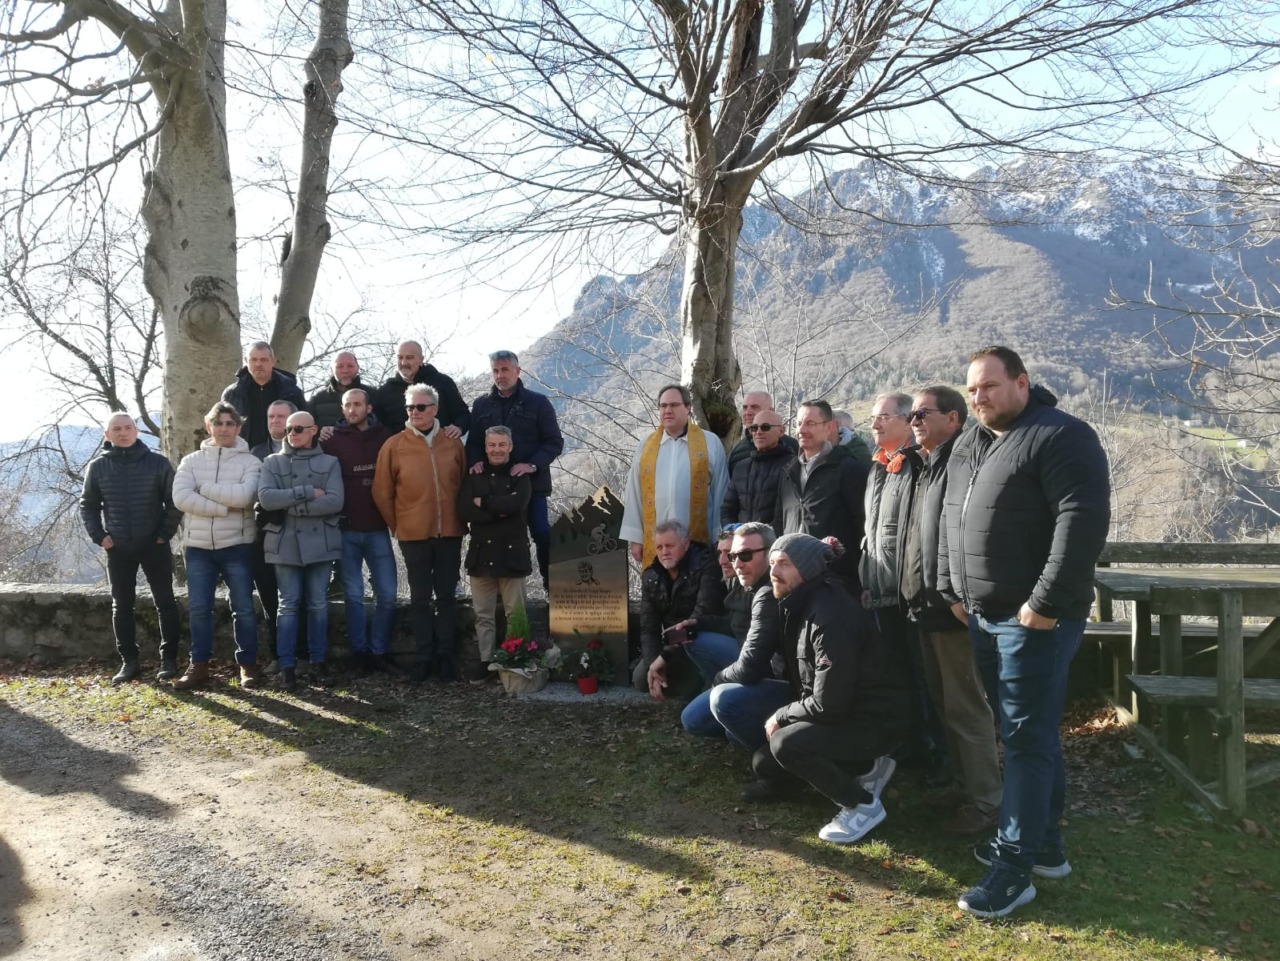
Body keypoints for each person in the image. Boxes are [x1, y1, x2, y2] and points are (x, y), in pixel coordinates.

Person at [942, 346, 1110, 918]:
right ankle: (1047, 846)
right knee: (1026, 734)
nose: (979, 397)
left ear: (1022, 382)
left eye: (989, 386)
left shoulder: (1062, 435)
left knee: (1024, 740)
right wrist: (952, 590)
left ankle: (1013, 869)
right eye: (971, 390)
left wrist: (1043, 605)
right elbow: (951, 516)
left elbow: (1081, 522)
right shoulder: (972, 442)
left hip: (1032, 622)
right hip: (983, 617)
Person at [751, 534, 910, 844]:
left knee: (786, 744)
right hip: (848, 714)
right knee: (765, 762)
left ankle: (862, 806)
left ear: (808, 569)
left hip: (874, 722)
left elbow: (828, 703)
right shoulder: (803, 602)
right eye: (771, 564)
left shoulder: (831, 615)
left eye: (784, 564)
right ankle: (868, 768)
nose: (773, 572)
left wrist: (783, 715)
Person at [902, 385, 1001, 836]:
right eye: (913, 414)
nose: (915, 419)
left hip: (952, 610)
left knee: (966, 709)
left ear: (954, 419)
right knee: (946, 706)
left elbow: (965, 535)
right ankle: (967, 790)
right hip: (926, 606)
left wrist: (957, 596)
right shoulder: (928, 466)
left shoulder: (961, 464)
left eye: (925, 413)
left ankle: (989, 804)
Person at [860, 392, 939, 776]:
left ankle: (933, 754)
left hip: (909, 595)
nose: (873, 424)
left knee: (921, 676)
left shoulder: (916, 465)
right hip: (880, 593)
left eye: (882, 417)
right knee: (898, 676)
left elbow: (913, 535)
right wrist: (867, 578)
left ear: (907, 421)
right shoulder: (878, 466)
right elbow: (872, 533)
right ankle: (909, 746)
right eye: (873, 418)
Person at [79, 413, 183, 684]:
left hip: (154, 545)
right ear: (107, 435)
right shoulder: (98, 467)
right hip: (118, 548)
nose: (123, 432)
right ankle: (129, 662)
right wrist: (100, 536)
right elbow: (88, 506)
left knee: (165, 603)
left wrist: (163, 535)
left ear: (136, 431)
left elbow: (174, 502)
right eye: (117, 429)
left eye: (128, 428)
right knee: (122, 606)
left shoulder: (158, 463)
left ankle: (169, 659)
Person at [373, 384, 467, 682]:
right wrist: (399, 525)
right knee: (420, 599)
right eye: (410, 408)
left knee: (447, 598)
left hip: (450, 532)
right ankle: (424, 657)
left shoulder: (453, 443)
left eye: (420, 407)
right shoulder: (394, 445)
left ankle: (446, 658)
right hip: (413, 536)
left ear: (435, 409)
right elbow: (382, 492)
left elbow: (464, 486)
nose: (414, 413)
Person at [170, 402, 262, 690]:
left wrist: (205, 489)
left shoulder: (251, 462)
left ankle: (248, 665)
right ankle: (199, 666)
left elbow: (245, 496)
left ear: (238, 427)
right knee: (199, 608)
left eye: (230, 423)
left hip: (238, 545)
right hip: (197, 547)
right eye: (218, 423)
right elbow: (181, 498)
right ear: (209, 426)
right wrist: (223, 508)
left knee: (244, 608)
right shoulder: (191, 461)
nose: (224, 428)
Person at [258, 410, 344, 691]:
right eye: (289, 429)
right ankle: (287, 667)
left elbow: (334, 501)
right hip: (284, 543)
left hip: (321, 544)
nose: (292, 433)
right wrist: (306, 492)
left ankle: (319, 662)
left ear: (313, 430)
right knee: (288, 605)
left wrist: (291, 505)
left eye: (298, 429)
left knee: (318, 604)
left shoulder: (330, 462)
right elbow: (267, 499)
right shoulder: (271, 462)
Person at [465, 350, 564, 590]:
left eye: (505, 369)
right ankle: (499, 593)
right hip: (494, 488)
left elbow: (554, 442)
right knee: (497, 537)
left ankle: (553, 588)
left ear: (518, 371)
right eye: (496, 371)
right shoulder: (481, 405)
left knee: (541, 532)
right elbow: (474, 443)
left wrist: (531, 465)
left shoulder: (538, 403)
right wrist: (475, 461)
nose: (500, 375)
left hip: (533, 485)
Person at [320, 388, 396, 674]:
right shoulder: (331, 440)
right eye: (347, 405)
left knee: (387, 595)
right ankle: (358, 653)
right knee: (353, 595)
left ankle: (379, 651)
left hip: (378, 528)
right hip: (345, 529)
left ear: (368, 407)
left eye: (357, 404)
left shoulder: (385, 436)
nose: (352, 410)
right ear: (342, 409)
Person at [704, 523, 792, 762]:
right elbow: (733, 626)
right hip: (768, 674)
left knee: (722, 700)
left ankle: (780, 756)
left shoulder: (768, 592)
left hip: (792, 689)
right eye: (733, 556)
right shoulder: (752, 586)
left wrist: (718, 680)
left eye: (745, 555)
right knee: (693, 720)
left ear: (770, 552)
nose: (736, 564)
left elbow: (750, 666)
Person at [620, 384, 729, 567]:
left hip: (698, 540)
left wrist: (720, 537)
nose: (667, 411)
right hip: (657, 544)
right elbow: (635, 493)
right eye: (663, 406)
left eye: (674, 405)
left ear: (687, 408)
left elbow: (721, 491)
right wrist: (635, 538)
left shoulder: (709, 442)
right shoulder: (646, 446)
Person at [458, 425, 533, 683]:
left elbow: (517, 504)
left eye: (502, 445)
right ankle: (486, 661)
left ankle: (515, 660)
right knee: (483, 614)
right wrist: (499, 510)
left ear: (510, 447)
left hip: (513, 555)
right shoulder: (474, 476)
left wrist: (485, 503)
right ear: (486, 446)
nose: (497, 449)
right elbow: (465, 509)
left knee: (516, 613)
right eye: (492, 445)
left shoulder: (520, 476)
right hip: (481, 556)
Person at [775, 399, 869, 589]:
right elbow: (779, 521)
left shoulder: (848, 468)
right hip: (791, 576)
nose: (802, 429)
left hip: (834, 577)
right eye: (799, 423)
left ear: (830, 427)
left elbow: (861, 524)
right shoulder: (788, 472)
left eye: (810, 423)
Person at [635, 521, 732, 696]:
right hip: (672, 645)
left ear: (686, 544)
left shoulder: (707, 565)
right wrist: (653, 666)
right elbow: (648, 627)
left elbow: (702, 613)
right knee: (641, 677)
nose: (664, 552)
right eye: (659, 547)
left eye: (670, 546)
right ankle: (684, 687)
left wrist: (664, 657)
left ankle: (700, 689)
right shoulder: (651, 575)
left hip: (701, 638)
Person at [250, 399, 301, 671]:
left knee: (298, 598)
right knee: (270, 597)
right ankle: (277, 655)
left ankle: (302, 655)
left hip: (299, 532)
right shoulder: (255, 452)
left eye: (281, 417)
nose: (275, 422)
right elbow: (257, 495)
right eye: (271, 417)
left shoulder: (306, 449)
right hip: (264, 534)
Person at [221, 341, 307, 450]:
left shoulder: (292, 392)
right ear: (246, 361)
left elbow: (304, 426)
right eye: (253, 359)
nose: (258, 364)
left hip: (283, 454)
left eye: (263, 360)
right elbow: (222, 426)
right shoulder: (232, 393)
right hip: (242, 454)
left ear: (273, 361)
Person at [374, 340, 470, 436]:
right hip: (402, 449)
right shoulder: (385, 392)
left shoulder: (442, 382)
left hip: (440, 446)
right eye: (400, 357)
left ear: (421, 359)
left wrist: (458, 426)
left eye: (409, 357)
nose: (403, 362)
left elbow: (463, 414)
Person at [721, 408, 792, 530]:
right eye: (754, 428)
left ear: (781, 431)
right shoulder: (741, 467)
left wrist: (762, 539)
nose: (758, 432)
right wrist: (734, 534)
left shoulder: (791, 465)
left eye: (765, 427)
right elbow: (727, 509)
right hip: (739, 542)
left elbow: (786, 514)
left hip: (774, 544)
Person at [727, 390, 797, 476]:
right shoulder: (737, 452)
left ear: (771, 411)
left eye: (754, 407)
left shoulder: (792, 447)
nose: (747, 412)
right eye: (745, 408)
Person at [310, 351, 374, 429]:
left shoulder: (374, 395)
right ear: (331, 370)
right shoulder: (318, 400)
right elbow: (309, 431)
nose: (345, 371)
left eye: (350, 366)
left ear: (357, 368)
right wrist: (320, 433)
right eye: (339, 366)